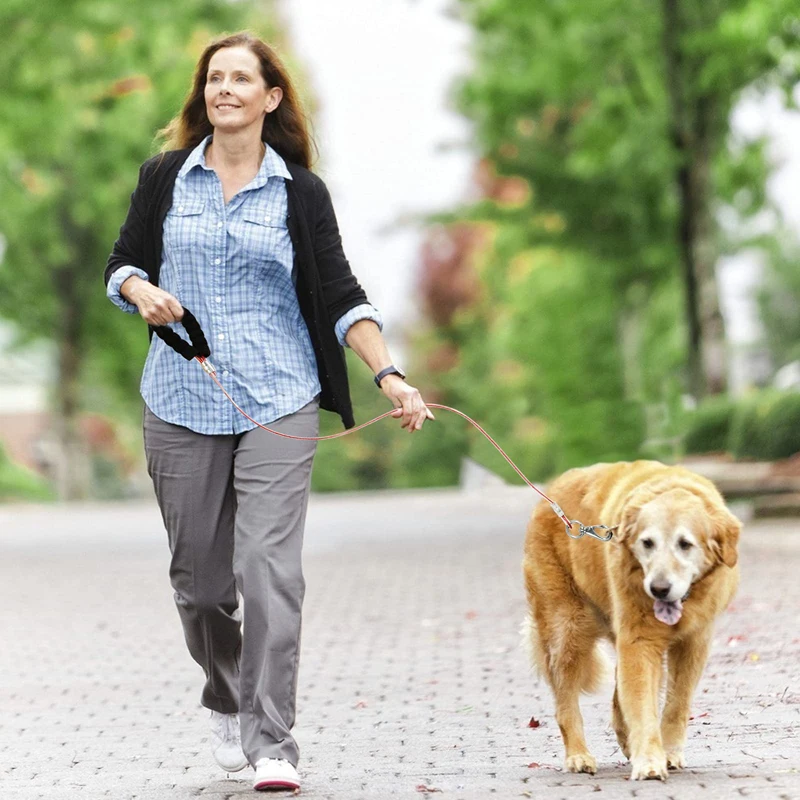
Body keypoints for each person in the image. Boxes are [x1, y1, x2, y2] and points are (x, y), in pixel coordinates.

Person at [104, 31, 434, 793]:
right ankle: (224, 692)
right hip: (182, 400)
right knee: (202, 585)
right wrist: (138, 291)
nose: (224, 89)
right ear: (204, 95)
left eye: (240, 79)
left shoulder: (300, 194)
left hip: (278, 403)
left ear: (270, 97)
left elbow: (343, 295)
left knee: (267, 571)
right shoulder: (163, 179)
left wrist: (388, 373)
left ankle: (272, 740)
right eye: (214, 78)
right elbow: (122, 260)